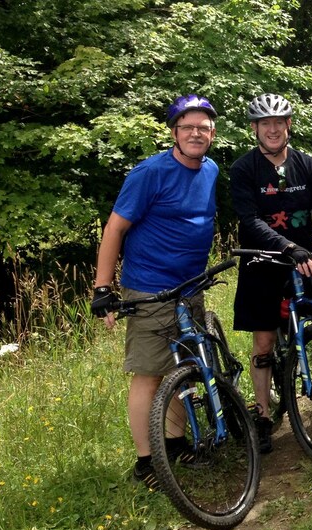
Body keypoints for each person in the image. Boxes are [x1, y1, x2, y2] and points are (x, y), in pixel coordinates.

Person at [90, 94, 220, 488]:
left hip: (191, 286)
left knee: (183, 367)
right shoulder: (149, 173)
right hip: (150, 290)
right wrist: (102, 287)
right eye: (187, 127)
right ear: (173, 133)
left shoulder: (211, 169)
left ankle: (175, 442)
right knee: (148, 375)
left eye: (203, 127)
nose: (195, 133)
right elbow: (114, 229)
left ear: (212, 134)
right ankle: (146, 461)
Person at [230, 93, 312, 454]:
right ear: (255, 129)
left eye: (279, 123)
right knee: (264, 344)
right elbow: (249, 221)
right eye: (266, 124)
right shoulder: (243, 169)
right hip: (262, 264)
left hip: (306, 260)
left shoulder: (306, 165)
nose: (273, 129)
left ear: (288, 125)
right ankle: (263, 415)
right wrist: (287, 248)